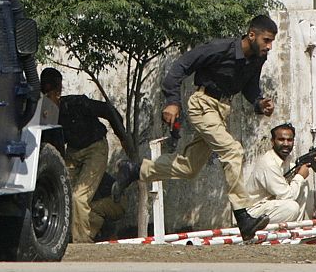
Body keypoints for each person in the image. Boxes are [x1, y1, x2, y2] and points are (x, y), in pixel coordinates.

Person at [112, 15, 278, 241]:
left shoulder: (257, 58)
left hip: (221, 111)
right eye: (266, 40)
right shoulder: (220, 48)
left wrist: (259, 103)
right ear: (251, 35)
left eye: (271, 42)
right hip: (202, 104)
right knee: (233, 150)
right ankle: (243, 216)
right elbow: (180, 66)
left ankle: (135, 170)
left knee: (189, 168)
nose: (269, 47)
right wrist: (172, 101)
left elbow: (250, 87)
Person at [40, 67, 128, 243]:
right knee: (62, 193)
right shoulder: (44, 112)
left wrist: (123, 137)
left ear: (59, 93)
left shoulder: (76, 103)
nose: (49, 103)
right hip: (73, 151)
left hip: (95, 147)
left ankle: (81, 241)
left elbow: (109, 111)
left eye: (53, 96)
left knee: (79, 197)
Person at [247, 123, 316, 223]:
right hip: (254, 212)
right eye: (281, 139)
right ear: (273, 141)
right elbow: (287, 196)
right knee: (291, 207)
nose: (286, 144)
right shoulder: (269, 163)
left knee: (303, 185)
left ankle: (296, 228)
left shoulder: (285, 158)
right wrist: (300, 176)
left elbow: (289, 171)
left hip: (270, 204)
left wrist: (311, 161)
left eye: (289, 140)